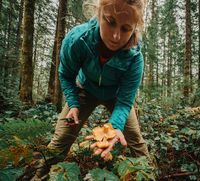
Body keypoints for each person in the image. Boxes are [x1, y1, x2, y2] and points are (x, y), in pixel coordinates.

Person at [32, 0, 148, 180]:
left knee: (135, 139)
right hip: (84, 89)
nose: (116, 36)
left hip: (116, 97)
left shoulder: (135, 58)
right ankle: (39, 177)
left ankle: (149, 174)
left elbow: (125, 101)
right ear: (99, 12)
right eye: (110, 22)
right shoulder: (77, 40)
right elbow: (66, 74)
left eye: (126, 29)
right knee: (61, 139)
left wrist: (115, 126)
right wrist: (73, 103)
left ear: (135, 28)